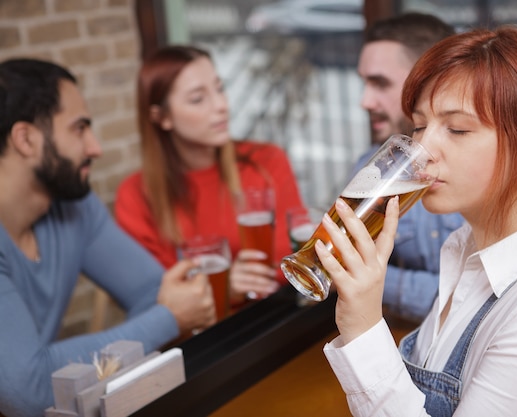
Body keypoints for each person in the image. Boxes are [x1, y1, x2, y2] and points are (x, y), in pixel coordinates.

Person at [319, 26, 517, 416]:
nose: (423, 149)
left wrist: (363, 325)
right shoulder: (468, 249)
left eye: (457, 129)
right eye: (419, 126)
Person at [0, 58, 216, 417]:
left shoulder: (75, 207)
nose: (95, 147)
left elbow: (154, 293)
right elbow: (29, 389)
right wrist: (166, 320)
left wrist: (164, 313)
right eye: (79, 128)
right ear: (26, 139)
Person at [114, 45, 306, 306]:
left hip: (275, 319)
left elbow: (295, 256)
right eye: (197, 99)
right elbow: (153, 299)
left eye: (219, 88)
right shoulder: (136, 195)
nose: (221, 105)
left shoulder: (266, 161)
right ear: (162, 117)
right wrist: (224, 287)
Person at [352, 12, 464, 321]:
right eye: (364, 83)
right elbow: (347, 265)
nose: (364, 101)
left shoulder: (490, 162)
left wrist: (380, 284)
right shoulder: (371, 169)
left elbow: (485, 301)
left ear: (427, 81)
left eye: (379, 83)